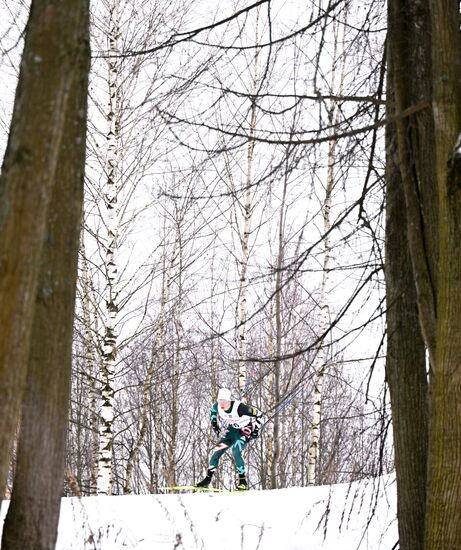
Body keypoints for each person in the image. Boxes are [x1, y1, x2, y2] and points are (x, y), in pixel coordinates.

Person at [195, 387, 263, 491]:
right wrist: (214, 424)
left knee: (236, 451)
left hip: (244, 430)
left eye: (224, 401)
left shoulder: (240, 408)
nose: (221, 404)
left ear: (229, 400)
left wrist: (256, 430)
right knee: (217, 451)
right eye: (219, 401)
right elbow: (212, 411)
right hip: (232, 430)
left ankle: (242, 481)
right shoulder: (217, 406)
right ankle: (207, 479)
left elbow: (260, 415)